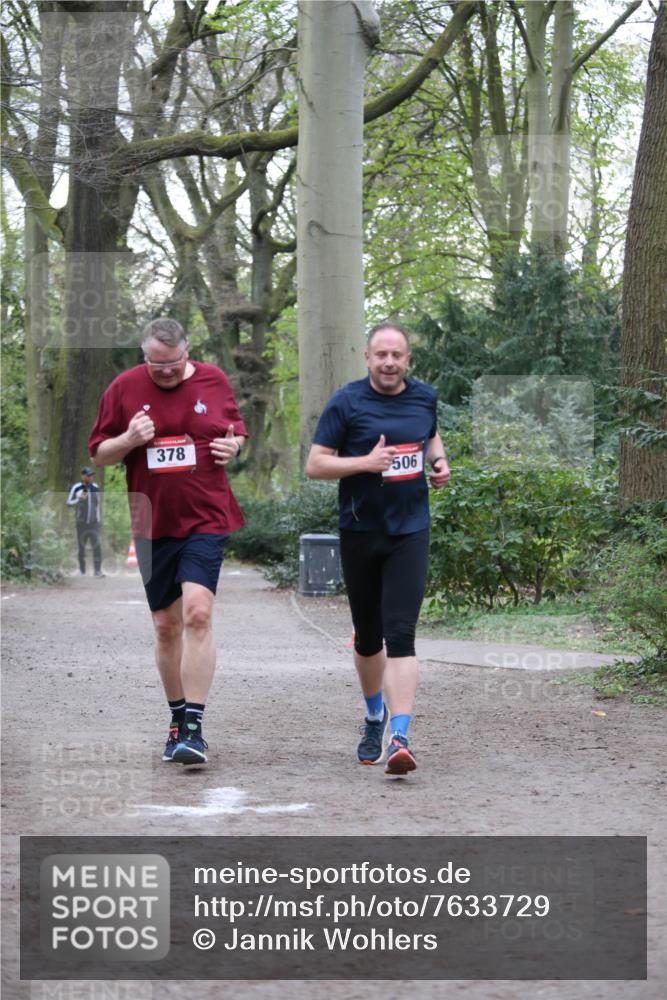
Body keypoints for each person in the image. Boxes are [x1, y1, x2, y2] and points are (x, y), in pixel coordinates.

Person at [88, 318, 247, 768]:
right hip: (151, 519)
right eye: (157, 366)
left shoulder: (214, 379)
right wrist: (129, 439)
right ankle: (176, 716)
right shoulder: (123, 388)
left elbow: (234, 433)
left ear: (187, 352)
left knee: (198, 612)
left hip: (206, 515)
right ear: (145, 357)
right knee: (165, 626)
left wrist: (232, 448)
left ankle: (193, 727)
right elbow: (99, 454)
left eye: (174, 364)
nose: (167, 373)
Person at [305, 321, 450, 776]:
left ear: (408, 360)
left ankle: (400, 737)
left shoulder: (425, 396)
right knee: (369, 638)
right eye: (381, 354)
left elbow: (428, 436)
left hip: (411, 531)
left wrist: (439, 462)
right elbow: (315, 465)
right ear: (367, 358)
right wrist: (365, 464)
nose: (389, 362)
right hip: (361, 531)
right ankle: (374, 717)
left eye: (398, 355)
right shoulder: (346, 402)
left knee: (401, 634)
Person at [66, 466, 104, 577]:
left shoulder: (95, 487)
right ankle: (82, 571)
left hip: (94, 523)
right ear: (82, 476)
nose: (90, 477)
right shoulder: (76, 487)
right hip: (81, 523)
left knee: (97, 546)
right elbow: (68, 502)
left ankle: (97, 571)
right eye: (88, 475)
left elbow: (98, 505)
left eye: (91, 475)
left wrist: (98, 521)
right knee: (81, 547)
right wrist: (79, 499)